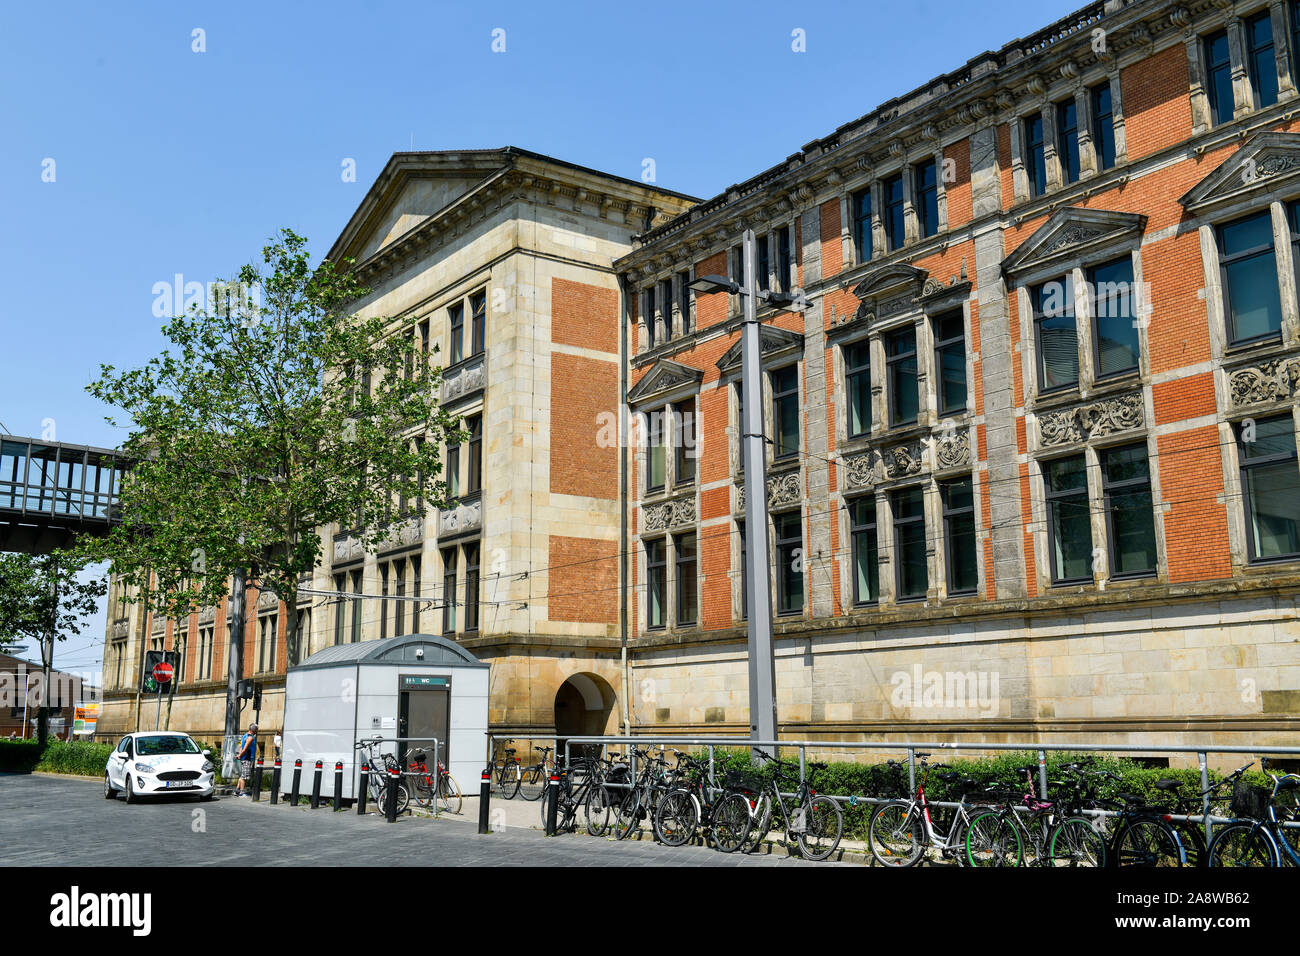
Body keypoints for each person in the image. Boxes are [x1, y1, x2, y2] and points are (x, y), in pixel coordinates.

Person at [235, 723, 258, 797]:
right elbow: (245, 748)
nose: (257, 731)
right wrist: (240, 755)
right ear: (254, 730)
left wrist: (239, 755)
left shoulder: (245, 735)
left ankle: (237, 791)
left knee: (242, 775)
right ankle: (242, 792)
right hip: (246, 759)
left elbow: (241, 747)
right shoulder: (250, 738)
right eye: (257, 730)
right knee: (244, 776)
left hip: (243, 758)